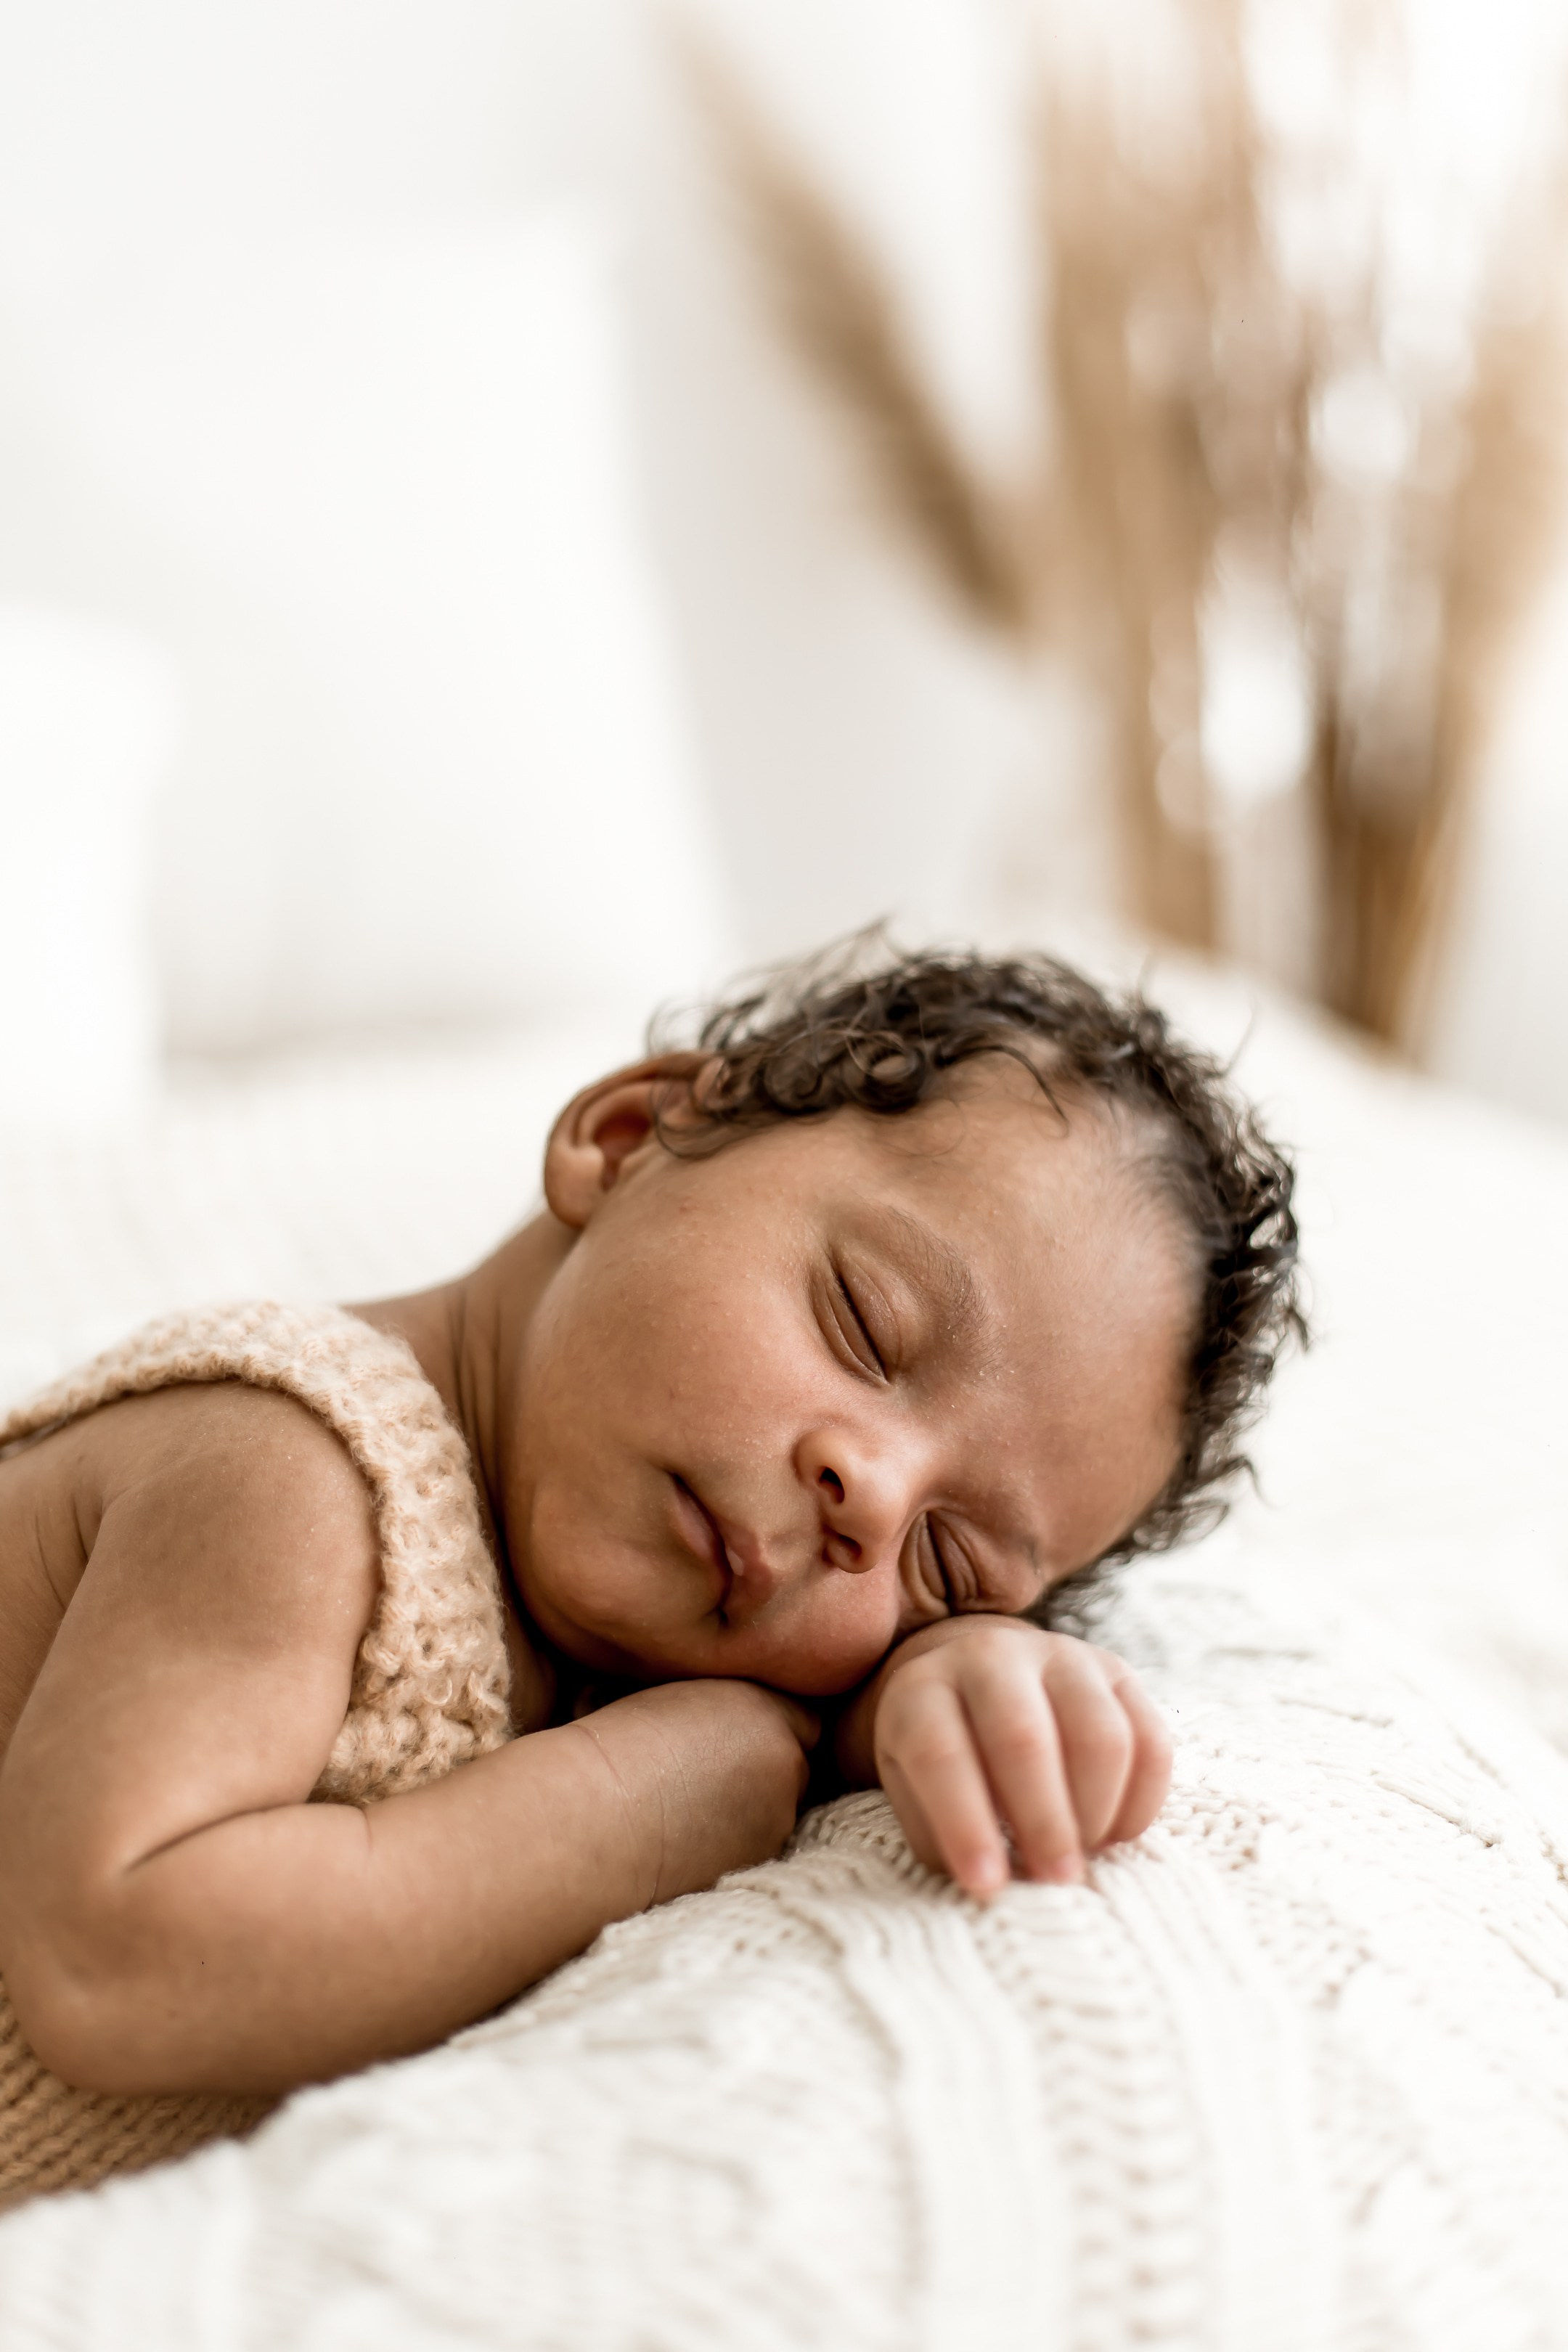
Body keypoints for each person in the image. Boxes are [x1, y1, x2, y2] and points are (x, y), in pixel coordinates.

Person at [0, 945, 1301, 2200]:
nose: (873, 1499)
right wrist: (638, 1805)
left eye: (947, 1560)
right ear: (630, 1140)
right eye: (865, 1322)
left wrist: (946, 1680)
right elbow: (111, 1959)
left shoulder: (632, 1628)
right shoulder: (289, 1469)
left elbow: (782, 1736)